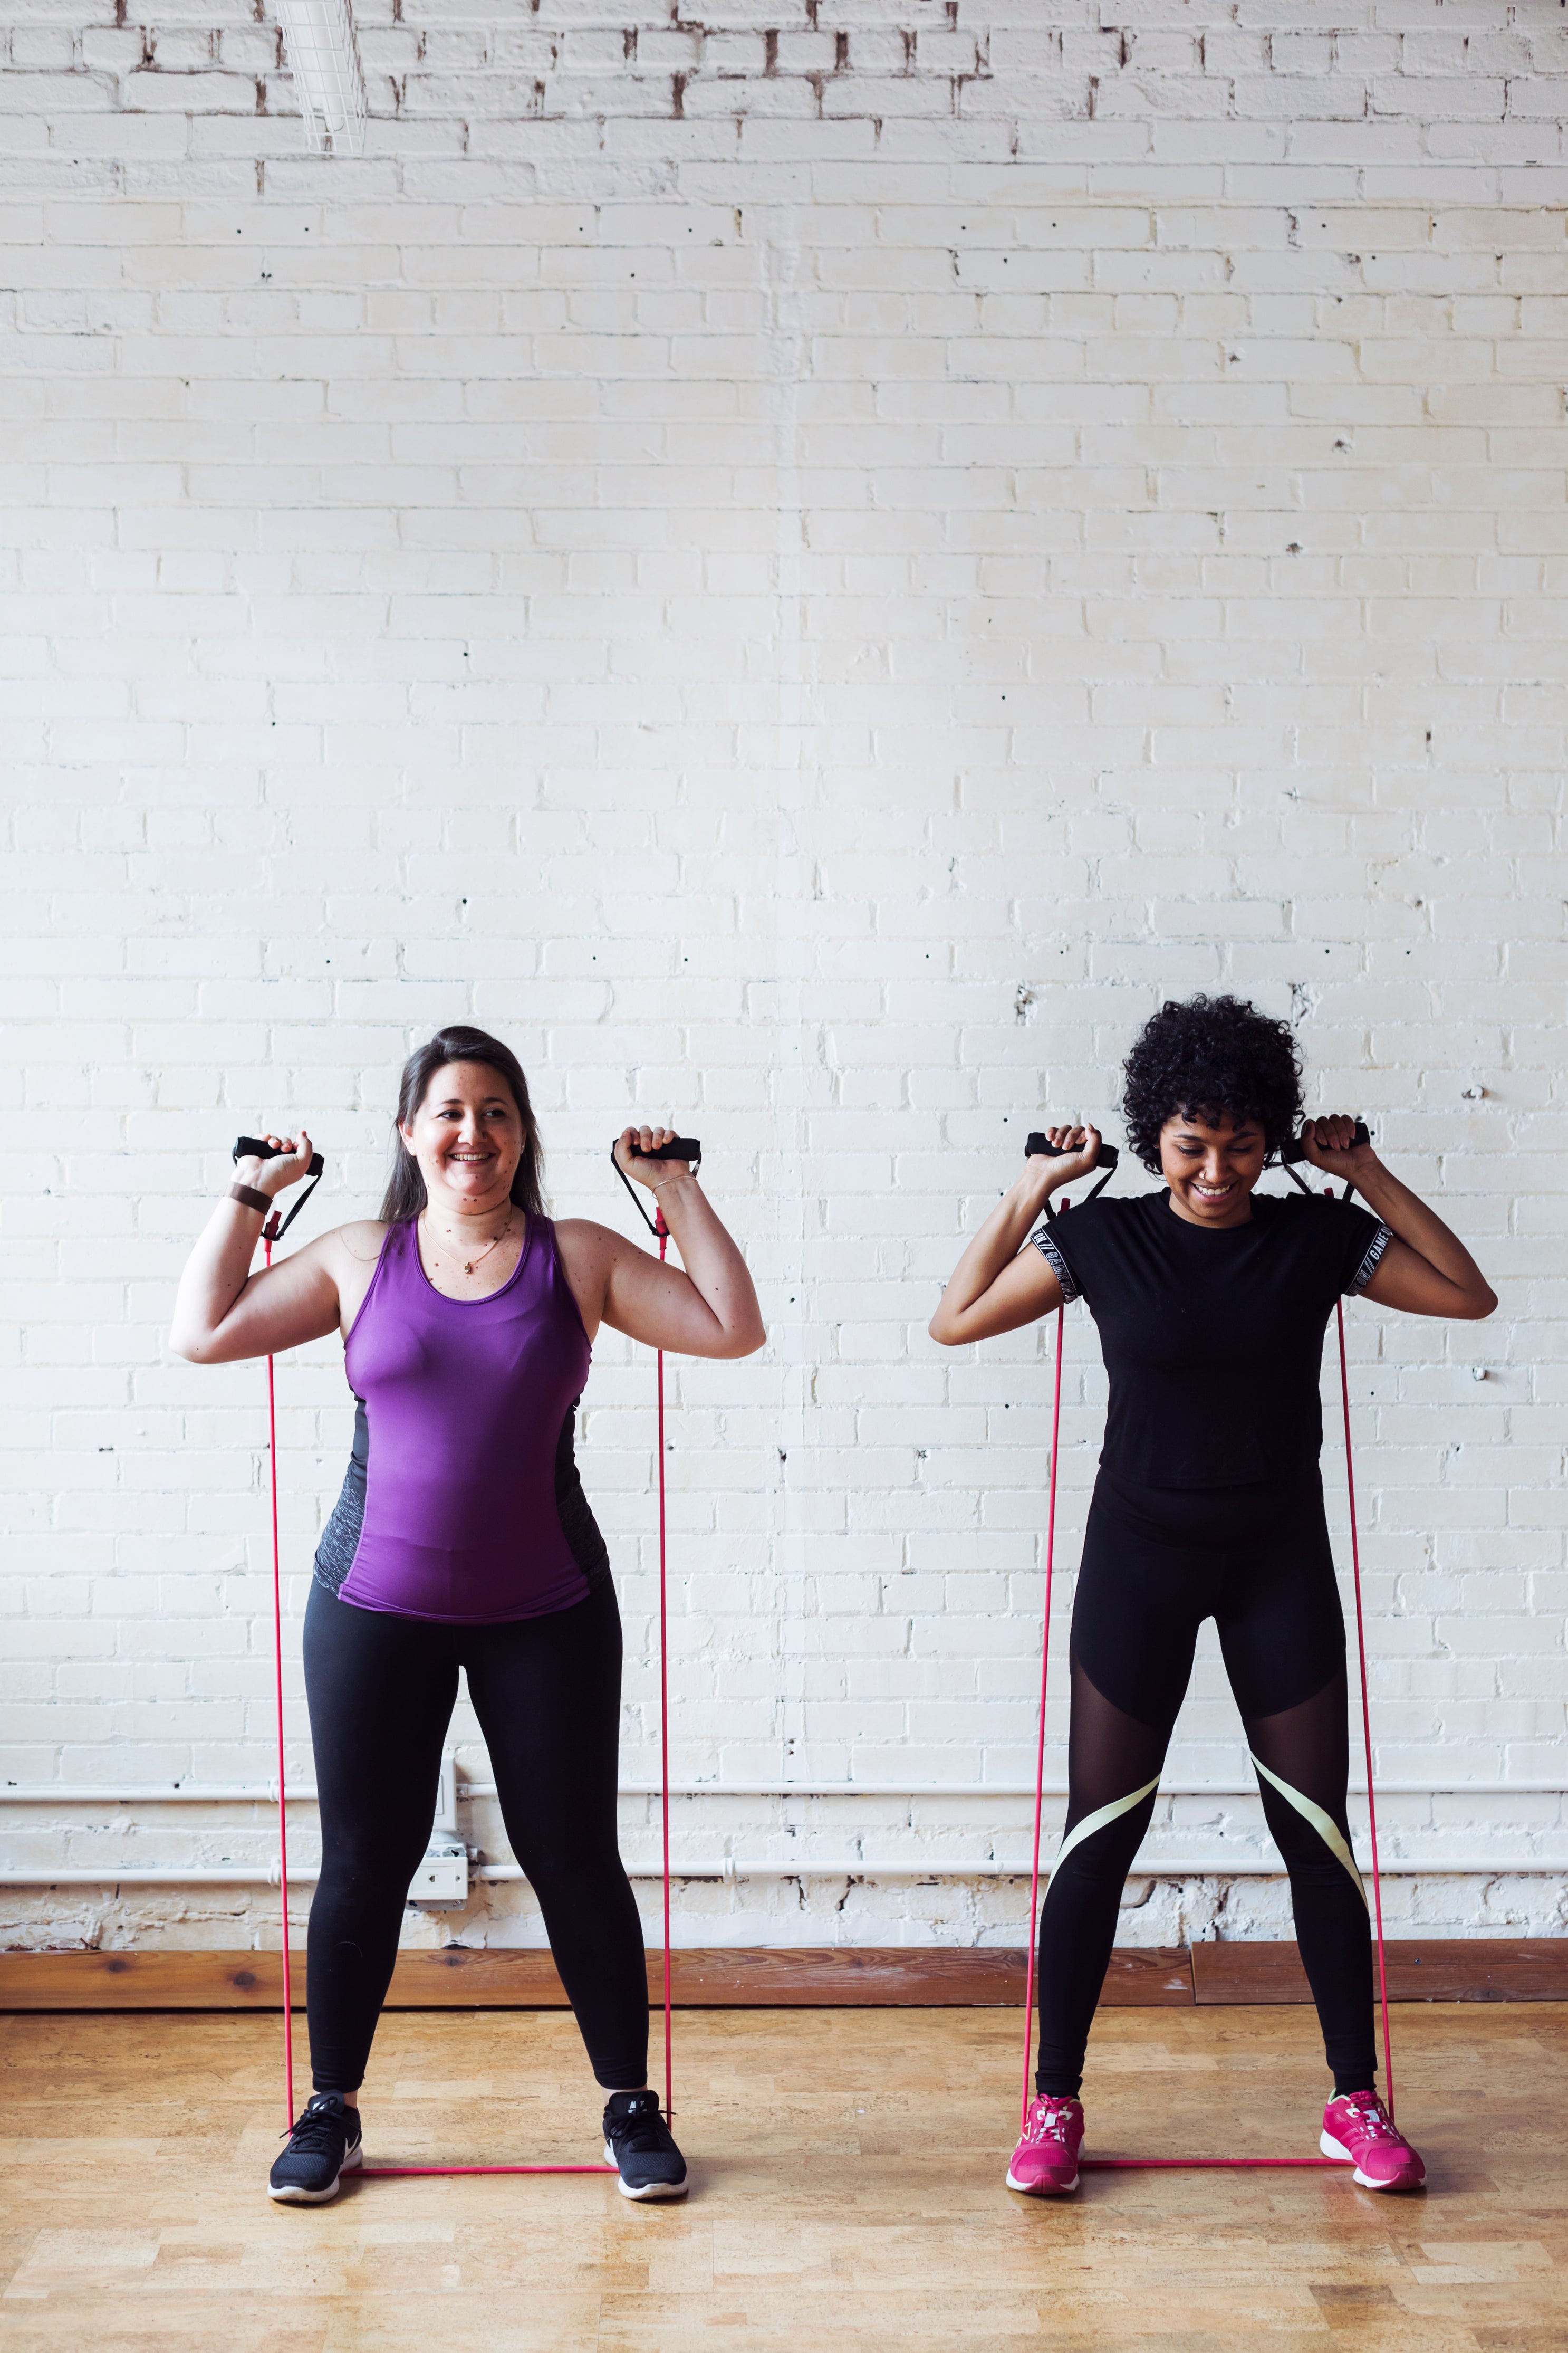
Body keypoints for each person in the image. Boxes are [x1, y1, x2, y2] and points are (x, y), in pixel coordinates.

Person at [171, 1024, 766, 2205]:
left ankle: (629, 2105)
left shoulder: (580, 1255)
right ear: (410, 1133)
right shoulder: (354, 1255)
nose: (473, 1133)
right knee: (366, 1862)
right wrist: (249, 1194)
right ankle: (330, 2106)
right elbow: (203, 1329)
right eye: (449, 1111)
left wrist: (676, 1189)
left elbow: (731, 1324)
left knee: (572, 1860)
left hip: (544, 1606)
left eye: (496, 1112)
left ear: (523, 1135)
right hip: (371, 1605)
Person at [930, 994, 1496, 2198]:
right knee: (1100, 1834)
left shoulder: (1311, 1239)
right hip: (1137, 1559)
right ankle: (1052, 2104)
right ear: (1154, 1138)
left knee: (1314, 1834)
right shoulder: (1104, 1238)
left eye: (1241, 1142)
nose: (1217, 1169)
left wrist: (1363, 1169)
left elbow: (1465, 1293)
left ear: (1271, 1136)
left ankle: (1353, 2102)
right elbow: (953, 1318)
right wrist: (1032, 1189)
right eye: (1192, 1144)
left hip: (1274, 1560)